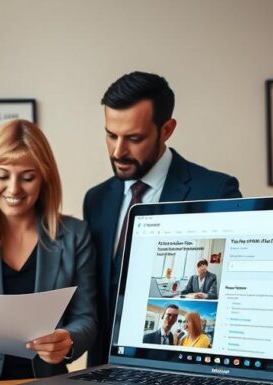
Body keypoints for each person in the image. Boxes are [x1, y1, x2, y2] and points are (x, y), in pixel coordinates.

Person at [83, 73, 242, 366]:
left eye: (134, 138)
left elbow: (235, 292)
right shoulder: (96, 200)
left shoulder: (216, 191)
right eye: (111, 135)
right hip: (104, 373)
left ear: (167, 129)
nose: (118, 151)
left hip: (185, 373)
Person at [0, 120, 98, 380]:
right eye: (3, 176)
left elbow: (87, 317)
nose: (14, 188)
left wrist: (67, 340)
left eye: (27, 177)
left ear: (44, 177)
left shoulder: (75, 236)